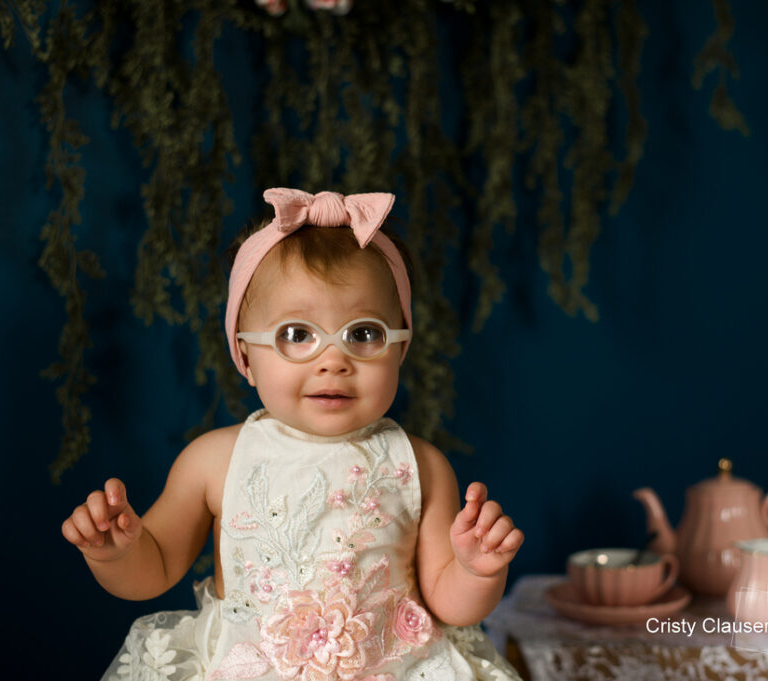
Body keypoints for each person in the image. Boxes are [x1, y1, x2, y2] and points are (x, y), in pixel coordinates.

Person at [62, 188, 524, 681]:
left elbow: (450, 604)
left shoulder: (421, 465)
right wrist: (117, 553)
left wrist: (476, 571)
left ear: (400, 348)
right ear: (246, 356)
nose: (333, 361)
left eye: (363, 334)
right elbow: (153, 570)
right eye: (297, 334)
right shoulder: (213, 461)